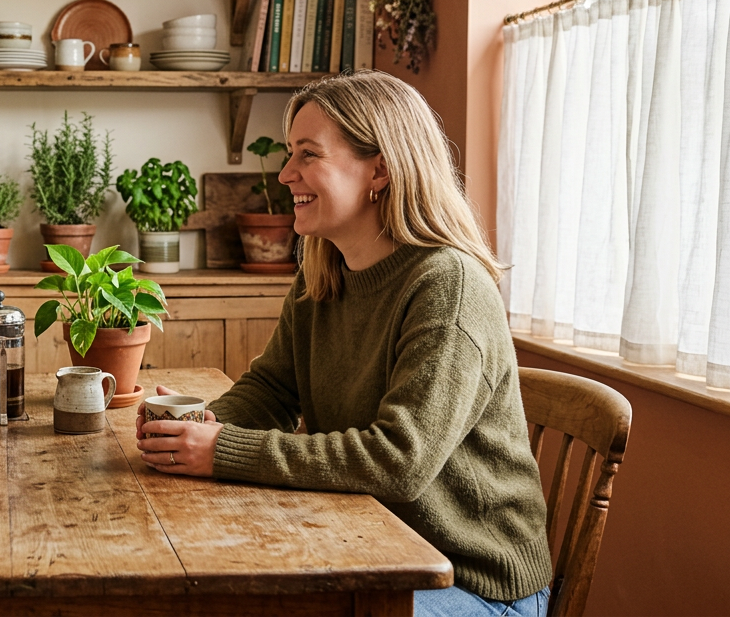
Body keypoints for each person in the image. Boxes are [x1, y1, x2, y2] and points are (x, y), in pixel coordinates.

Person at [136, 70, 552, 617]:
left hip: (470, 582)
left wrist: (223, 452)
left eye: (308, 154)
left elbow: (399, 461)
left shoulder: (447, 285)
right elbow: (272, 388)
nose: (286, 174)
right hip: (364, 546)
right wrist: (205, 425)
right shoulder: (322, 270)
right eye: (290, 153)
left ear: (379, 168)